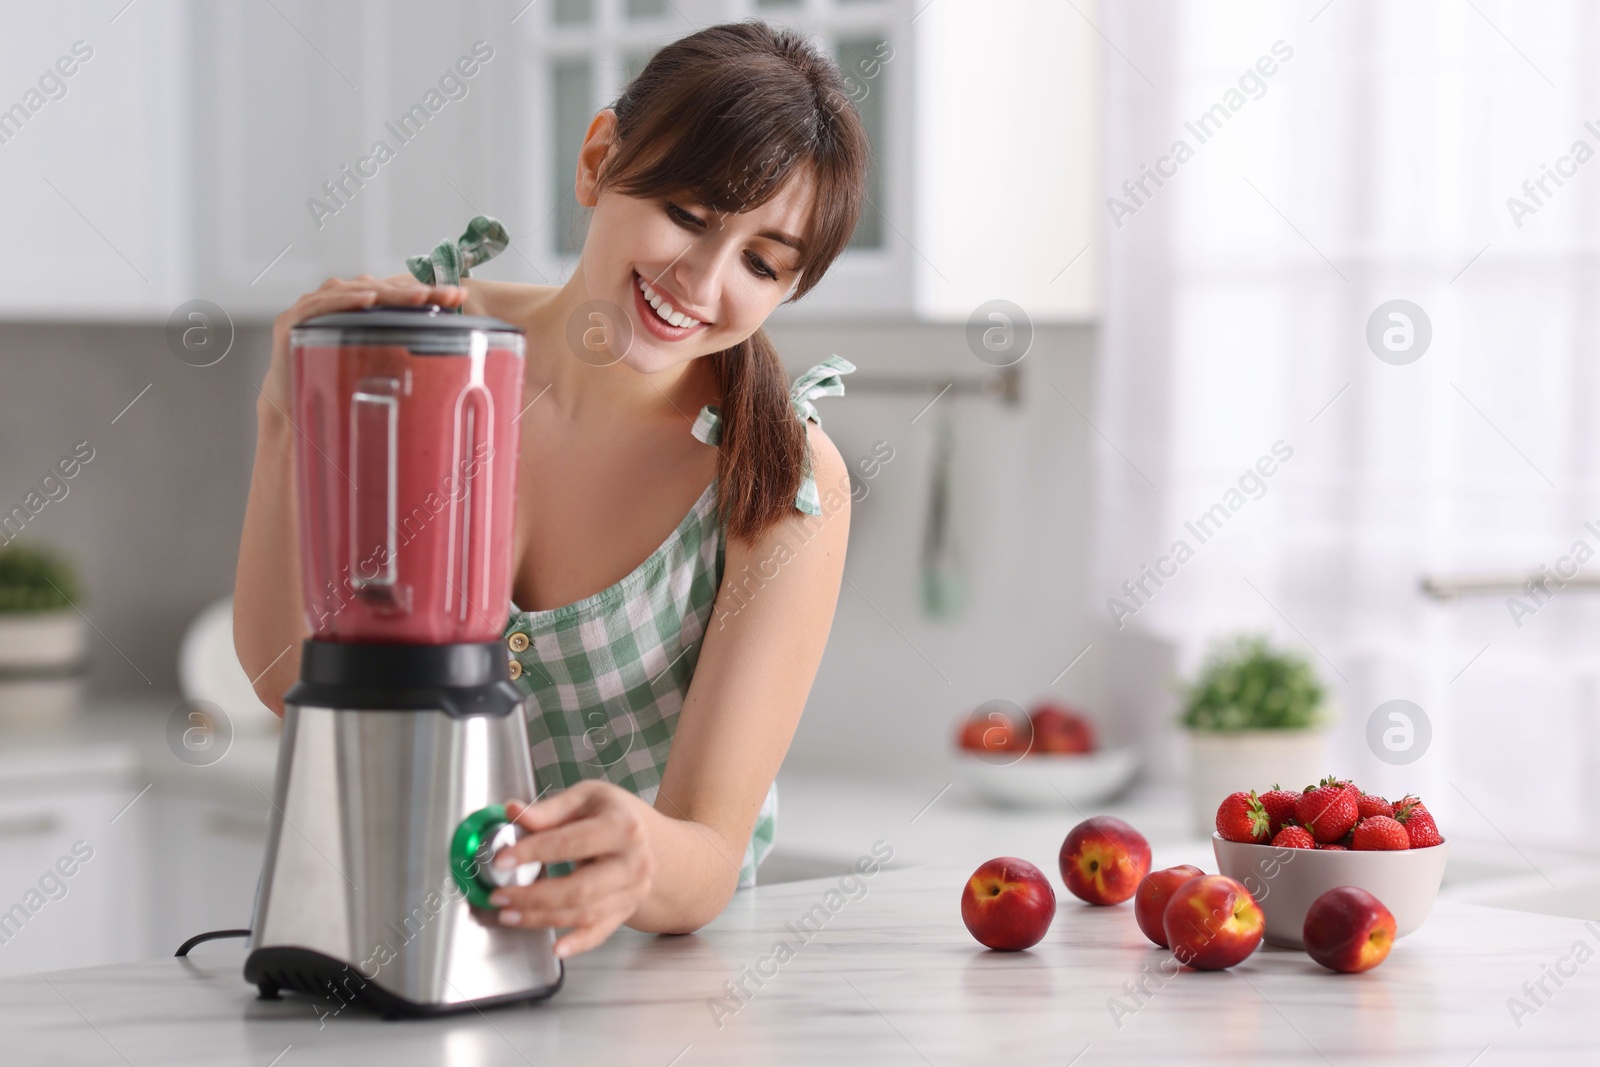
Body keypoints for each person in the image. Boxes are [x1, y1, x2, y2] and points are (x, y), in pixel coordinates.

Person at [233, 20, 871, 961]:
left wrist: (640, 853)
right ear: (599, 159)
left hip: (644, 984)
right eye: (690, 214)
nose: (700, 279)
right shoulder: (421, 354)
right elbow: (289, 679)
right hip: (396, 937)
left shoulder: (782, 480)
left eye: (761, 263)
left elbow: (706, 851)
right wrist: (285, 419)